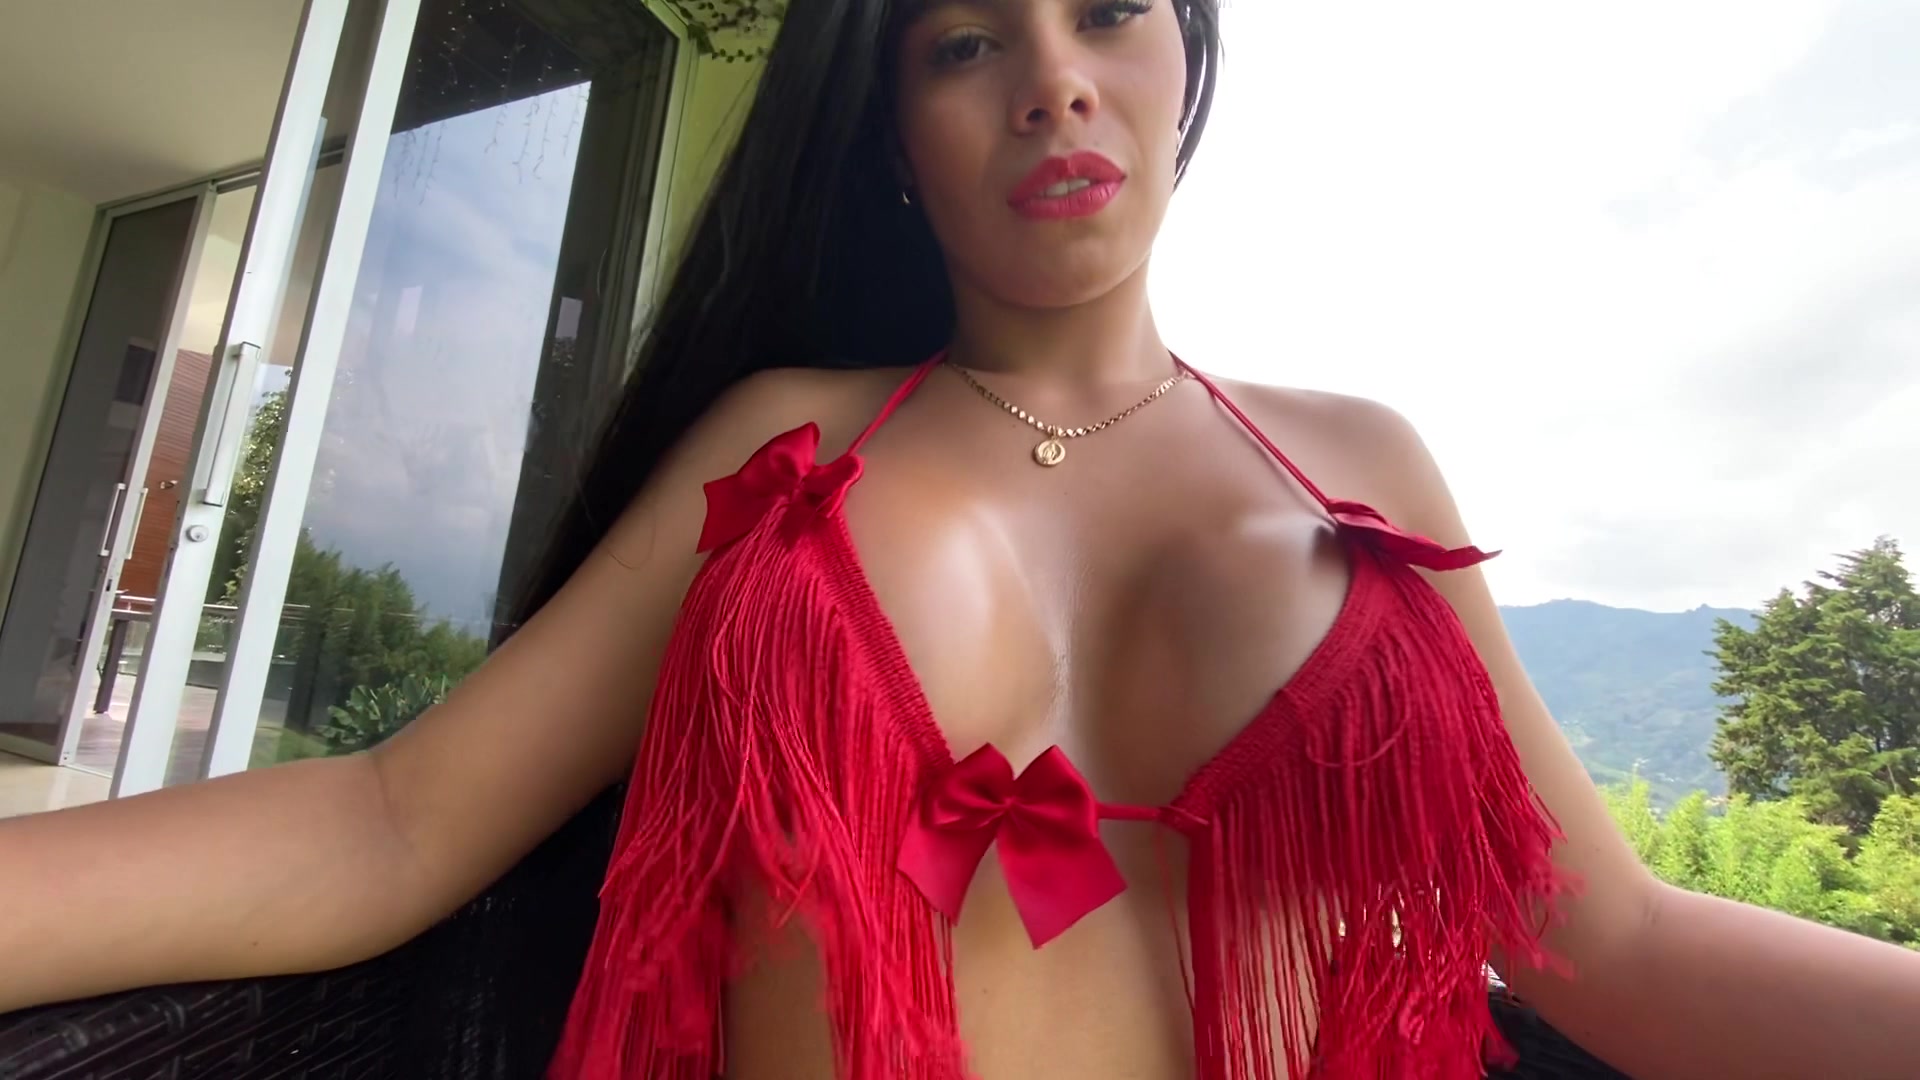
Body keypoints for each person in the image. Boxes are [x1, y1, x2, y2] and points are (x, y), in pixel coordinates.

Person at [4, 1, 1919, 1077]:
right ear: (893, 127)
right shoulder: (790, 447)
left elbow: (1611, 941)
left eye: (1110, 15)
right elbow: (396, 823)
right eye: (965, 43)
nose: (1054, 78)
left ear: (1188, 64)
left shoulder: (1365, 469)